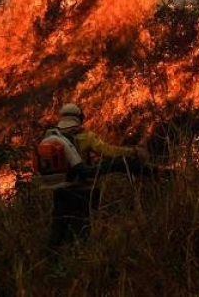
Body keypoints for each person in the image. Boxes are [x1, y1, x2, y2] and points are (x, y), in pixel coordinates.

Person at [46, 103, 150, 247]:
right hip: (81, 189)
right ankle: (80, 260)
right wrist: (132, 151)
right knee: (81, 229)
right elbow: (107, 151)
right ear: (78, 118)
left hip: (59, 190)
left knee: (57, 230)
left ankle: (52, 260)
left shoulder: (51, 136)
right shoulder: (85, 136)